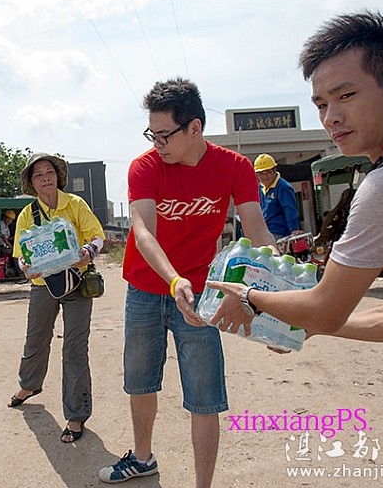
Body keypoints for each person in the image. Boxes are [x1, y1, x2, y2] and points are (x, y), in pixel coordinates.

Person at [207, 10, 383, 487]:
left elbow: (323, 307)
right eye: (320, 103)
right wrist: (316, 325)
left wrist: (251, 298)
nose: (331, 116)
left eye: (346, 95)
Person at [98, 79, 275, 486]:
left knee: (204, 395)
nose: (157, 143)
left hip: (201, 295)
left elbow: (257, 231)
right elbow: (143, 232)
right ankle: (143, 458)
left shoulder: (234, 167)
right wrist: (173, 279)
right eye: (151, 134)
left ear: (195, 127)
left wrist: (277, 303)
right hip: (146, 289)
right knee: (140, 381)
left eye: (165, 134)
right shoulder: (145, 167)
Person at [7, 153, 105, 444]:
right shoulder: (27, 214)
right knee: (36, 338)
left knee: (74, 348)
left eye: (49, 172)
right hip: (42, 285)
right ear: (32, 182)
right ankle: (29, 385)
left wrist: (88, 252)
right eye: (38, 175)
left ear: (58, 176)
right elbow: (21, 254)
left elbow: (97, 236)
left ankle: (76, 415)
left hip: (78, 283)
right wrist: (25, 266)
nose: (45, 178)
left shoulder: (75, 204)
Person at [253, 153, 300, 239]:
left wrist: (294, 229)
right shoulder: (260, 188)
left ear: (274, 170)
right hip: (264, 232)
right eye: (261, 173)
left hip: (279, 233)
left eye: (268, 172)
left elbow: (290, 209)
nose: (265, 176)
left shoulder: (283, 187)